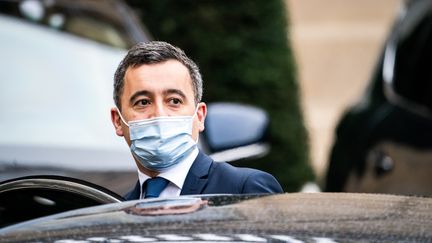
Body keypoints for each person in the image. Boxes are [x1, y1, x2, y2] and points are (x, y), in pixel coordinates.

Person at [110, 41, 283, 200]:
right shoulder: (118, 207)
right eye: (143, 102)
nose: (160, 114)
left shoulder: (244, 189)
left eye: (174, 101)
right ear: (118, 120)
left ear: (199, 116)